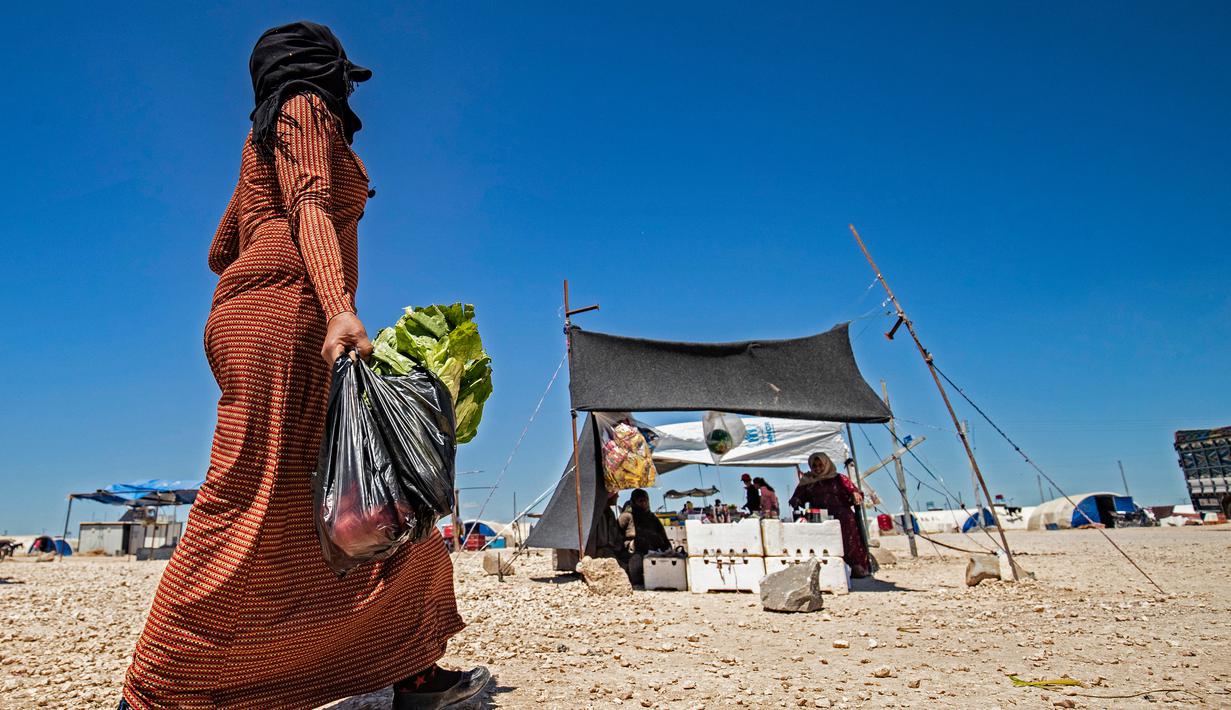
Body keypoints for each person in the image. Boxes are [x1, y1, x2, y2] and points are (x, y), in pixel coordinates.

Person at [120, 22, 487, 710]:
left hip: (268, 317)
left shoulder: (263, 134)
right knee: (252, 500)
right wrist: (334, 303)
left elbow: (220, 245)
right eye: (344, 77)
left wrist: (254, 282)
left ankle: (407, 663)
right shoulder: (304, 108)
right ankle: (157, 694)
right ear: (324, 72)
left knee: (364, 499)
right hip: (291, 321)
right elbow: (311, 205)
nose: (348, 92)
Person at [789, 452, 871, 577]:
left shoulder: (839, 478)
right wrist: (796, 500)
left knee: (848, 539)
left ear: (826, 464)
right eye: (814, 466)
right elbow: (797, 497)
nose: (817, 468)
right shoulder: (808, 481)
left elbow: (854, 491)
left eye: (820, 465)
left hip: (842, 515)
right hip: (819, 517)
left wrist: (855, 493)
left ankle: (856, 567)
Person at [624, 489, 672, 586]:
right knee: (636, 560)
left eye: (645, 500)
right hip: (635, 554)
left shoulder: (653, 518)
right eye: (640, 501)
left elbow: (664, 538)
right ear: (633, 502)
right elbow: (617, 537)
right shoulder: (627, 517)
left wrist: (669, 551)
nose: (644, 503)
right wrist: (630, 545)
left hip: (654, 554)